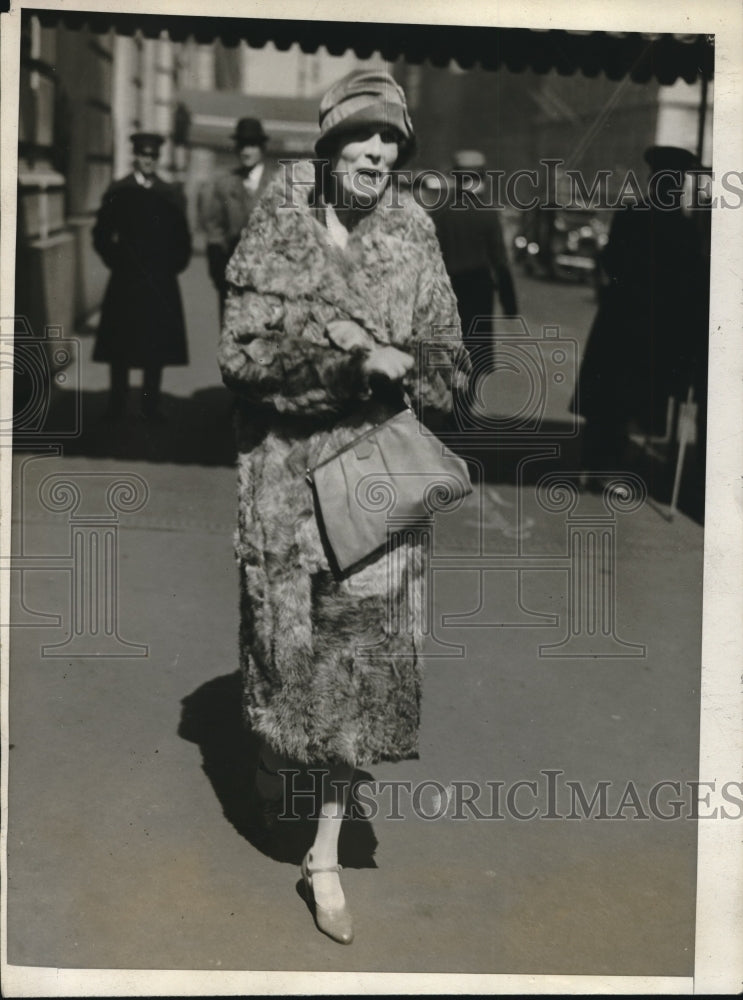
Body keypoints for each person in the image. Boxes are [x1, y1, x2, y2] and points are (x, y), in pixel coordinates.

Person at [217, 70, 469, 945]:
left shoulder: (412, 229)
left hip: (373, 489)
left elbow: (448, 353)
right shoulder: (277, 227)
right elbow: (242, 354)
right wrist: (345, 363)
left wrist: (419, 371)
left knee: (357, 677)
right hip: (285, 490)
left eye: (390, 141)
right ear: (327, 148)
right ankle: (271, 751)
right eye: (360, 139)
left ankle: (323, 855)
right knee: (284, 659)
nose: (376, 154)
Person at [572, 145, 709, 482]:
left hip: (620, 317)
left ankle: (594, 463)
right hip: (654, 324)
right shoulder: (684, 228)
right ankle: (606, 468)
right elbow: (690, 283)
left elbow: (610, 261)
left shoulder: (631, 214)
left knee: (608, 393)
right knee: (629, 395)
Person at [92, 132, 191, 422]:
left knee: (154, 346)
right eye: (143, 155)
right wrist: (116, 261)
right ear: (134, 156)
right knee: (119, 344)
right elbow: (100, 234)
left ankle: (150, 406)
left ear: (157, 159)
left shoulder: (169, 193)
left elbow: (182, 239)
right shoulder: (118, 190)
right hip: (125, 280)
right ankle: (116, 405)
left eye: (153, 156)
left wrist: (172, 267)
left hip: (159, 281)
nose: (148, 160)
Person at [431, 149, 519, 352]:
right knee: (475, 354)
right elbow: (500, 260)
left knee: (446, 351)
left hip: (447, 288)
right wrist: (509, 304)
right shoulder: (487, 214)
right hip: (479, 291)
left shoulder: (440, 213)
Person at [198, 117, 274, 319]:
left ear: (262, 148)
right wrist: (218, 271)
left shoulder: (278, 185)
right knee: (231, 339)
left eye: (251, 145)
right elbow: (215, 229)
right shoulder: (224, 184)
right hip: (233, 277)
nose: (246, 151)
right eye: (241, 145)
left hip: (268, 279)